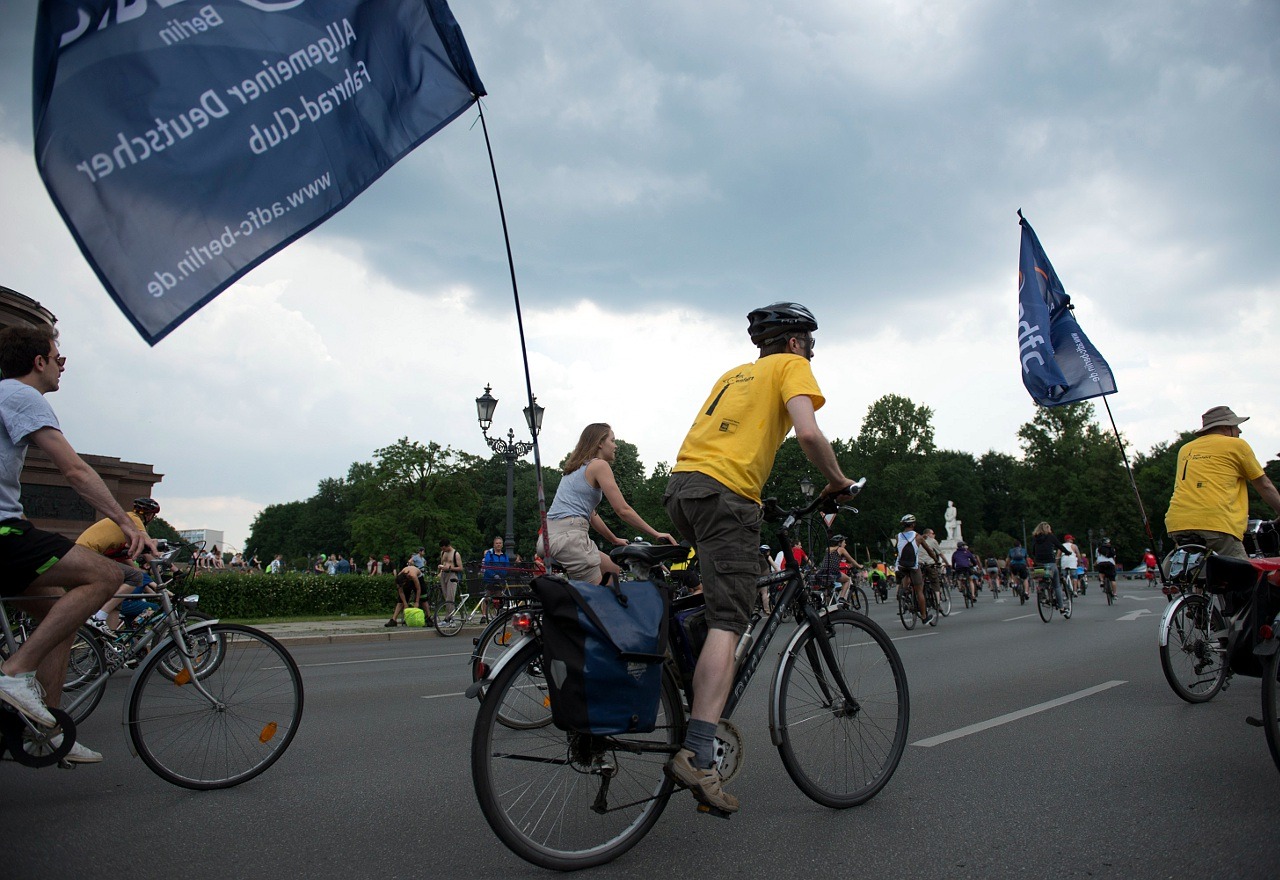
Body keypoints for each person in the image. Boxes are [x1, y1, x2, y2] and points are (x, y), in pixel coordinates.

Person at [661, 302, 858, 814]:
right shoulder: (792, 366)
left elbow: (727, 438)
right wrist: (837, 482)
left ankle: (677, 670)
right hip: (726, 496)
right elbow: (808, 433)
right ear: (794, 342)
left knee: (711, 598)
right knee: (732, 616)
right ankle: (699, 755)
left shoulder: (735, 373)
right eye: (810, 342)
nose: (812, 351)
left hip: (683, 488)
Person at [0, 325, 156, 763]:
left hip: (9, 527)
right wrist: (128, 524)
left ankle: (46, 729)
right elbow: (75, 471)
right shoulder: (21, 395)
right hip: (2, 531)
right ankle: (14, 673)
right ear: (39, 362)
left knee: (60, 617)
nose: (62, 363)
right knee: (106, 574)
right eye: (57, 356)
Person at [542, 424, 676, 585]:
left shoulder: (576, 468)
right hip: (570, 540)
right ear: (600, 442)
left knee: (613, 569)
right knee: (600, 603)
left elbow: (591, 514)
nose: (615, 445)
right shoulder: (599, 465)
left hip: (549, 538)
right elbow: (622, 510)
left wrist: (613, 539)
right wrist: (656, 534)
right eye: (612, 440)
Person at [1165, 405, 1280, 560]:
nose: (1240, 431)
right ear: (1226, 427)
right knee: (1244, 577)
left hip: (1178, 524)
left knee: (1197, 574)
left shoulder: (1185, 449)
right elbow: (1264, 485)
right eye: (1236, 426)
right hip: (1216, 523)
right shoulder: (1237, 445)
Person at [76, 496, 161, 630]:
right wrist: (159, 553)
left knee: (118, 594)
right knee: (136, 577)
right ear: (150, 515)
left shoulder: (124, 522)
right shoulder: (133, 519)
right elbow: (147, 543)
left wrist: (136, 567)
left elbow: (122, 554)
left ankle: (107, 640)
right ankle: (98, 618)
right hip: (88, 555)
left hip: (85, 555)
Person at [896, 514, 934, 626]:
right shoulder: (918, 537)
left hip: (902, 565)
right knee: (919, 591)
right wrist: (935, 560)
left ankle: (905, 594)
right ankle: (924, 617)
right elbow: (929, 550)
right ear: (913, 524)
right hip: (913, 566)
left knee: (906, 576)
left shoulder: (898, 536)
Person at [814, 534, 863, 607]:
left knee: (828, 589)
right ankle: (842, 598)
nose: (845, 544)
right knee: (847, 580)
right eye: (844, 542)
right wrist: (859, 566)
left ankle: (827, 605)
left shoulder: (828, 549)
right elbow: (851, 560)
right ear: (840, 543)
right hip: (833, 572)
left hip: (822, 572)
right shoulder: (841, 549)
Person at [1030, 522, 1066, 609]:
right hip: (1050, 563)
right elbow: (1060, 546)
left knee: (1041, 580)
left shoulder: (1035, 538)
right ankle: (1061, 608)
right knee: (1056, 585)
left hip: (1038, 565)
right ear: (1048, 529)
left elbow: (1033, 551)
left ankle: (1042, 590)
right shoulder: (1051, 536)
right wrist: (1068, 552)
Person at [385, 561, 425, 627]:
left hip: (418, 577)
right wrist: (405, 603)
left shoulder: (413, 575)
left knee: (423, 598)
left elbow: (418, 589)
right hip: (406, 579)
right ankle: (393, 620)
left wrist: (417, 602)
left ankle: (428, 617)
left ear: (405, 581)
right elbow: (401, 592)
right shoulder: (399, 579)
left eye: (403, 584)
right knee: (400, 601)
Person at [437, 538, 463, 604]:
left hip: (452, 574)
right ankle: (449, 612)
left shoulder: (456, 554)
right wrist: (440, 570)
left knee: (450, 597)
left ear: (448, 546)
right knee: (445, 596)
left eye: (444, 548)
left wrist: (450, 568)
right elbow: (443, 563)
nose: (443, 550)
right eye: (442, 549)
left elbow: (460, 568)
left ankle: (450, 613)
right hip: (443, 574)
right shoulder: (443, 553)